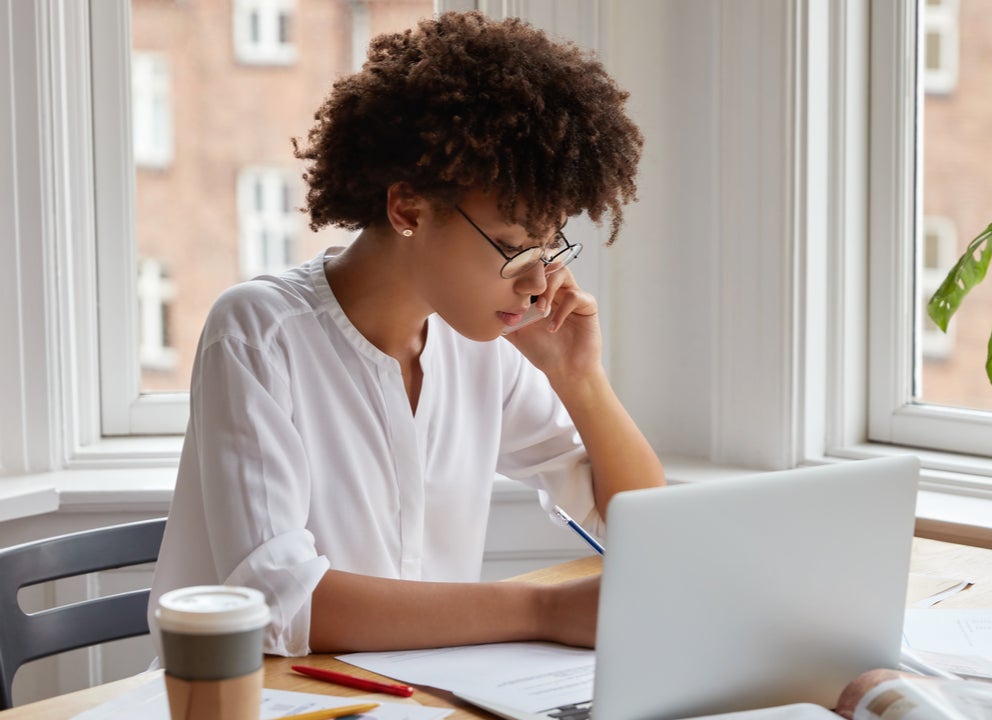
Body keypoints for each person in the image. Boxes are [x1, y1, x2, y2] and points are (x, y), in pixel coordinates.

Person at [148, 10, 663, 657]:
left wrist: (582, 382)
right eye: (511, 246)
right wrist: (539, 608)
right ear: (407, 208)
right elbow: (280, 605)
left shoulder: (478, 347)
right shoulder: (259, 333)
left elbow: (649, 531)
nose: (537, 281)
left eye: (549, 244)